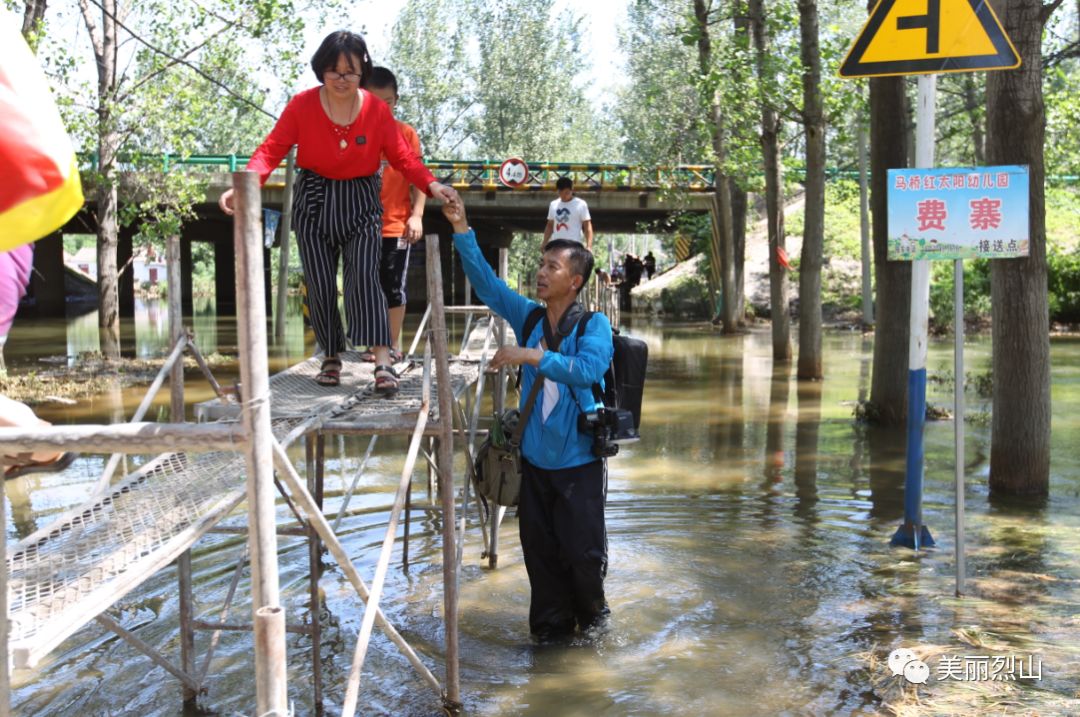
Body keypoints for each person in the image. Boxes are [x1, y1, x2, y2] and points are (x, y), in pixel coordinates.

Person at [218, 31, 459, 393]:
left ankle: (382, 360)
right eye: (335, 72)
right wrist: (244, 185)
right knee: (319, 282)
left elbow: (404, 158)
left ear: (363, 70)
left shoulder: (377, 110)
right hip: (314, 196)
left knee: (365, 277)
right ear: (321, 71)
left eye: (351, 71)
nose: (343, 79)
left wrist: (433, 186)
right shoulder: (301, 105)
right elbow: (271, 149)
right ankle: (331, 355)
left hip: (362, 198)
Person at [443, 198, 614, 639]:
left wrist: (531, 355)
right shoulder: (531, 316)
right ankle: (549, 642)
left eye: (552, 267)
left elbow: (588, 370)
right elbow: (486, 285)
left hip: (579, 469)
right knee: (540, 558)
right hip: (535, 470)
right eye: (542, 264)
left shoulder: (593, 326)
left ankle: (594, 630)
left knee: (583, 557)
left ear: (575, 281)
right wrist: (462, 225)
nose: (541, 272)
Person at [358, 66, 425, 365]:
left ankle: (392, 344)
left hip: (395, 225)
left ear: (396, 100)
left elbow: (420, 178)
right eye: (373, 101)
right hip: (360, 226)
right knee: (364, 284)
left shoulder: (406, 134)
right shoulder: (353, 133)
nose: (380, 108)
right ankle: (374, 344)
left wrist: (417, 215)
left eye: (386, 102)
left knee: (392, 285)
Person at [542, 177, 593, 251]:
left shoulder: (581, 204)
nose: (564, 196)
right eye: (561, 193)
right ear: (558, 191)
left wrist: (589, 246)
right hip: (557, 246)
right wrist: (544, 242)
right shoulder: (553, 204)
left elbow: (587, 226)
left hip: (574, 246)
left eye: (567, 193)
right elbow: (550, 225)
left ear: (572, 190)